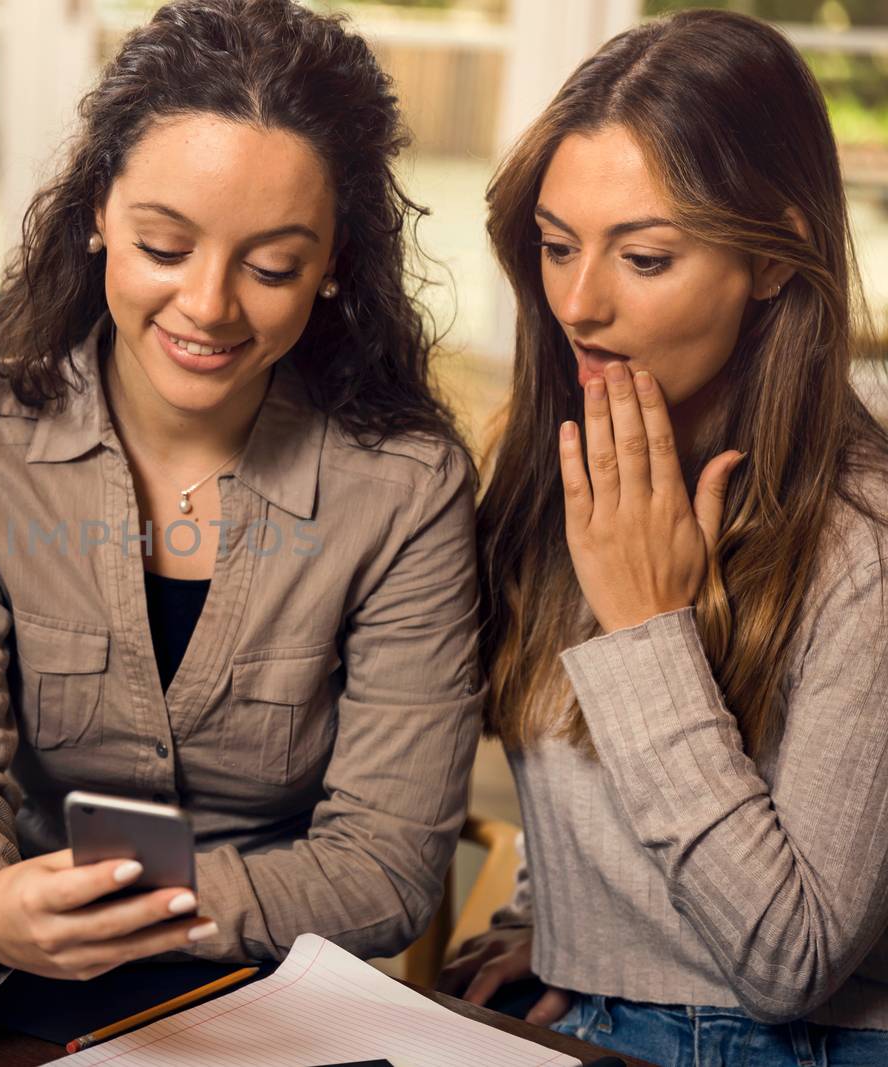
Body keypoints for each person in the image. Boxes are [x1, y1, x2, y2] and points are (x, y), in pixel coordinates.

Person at [0, 0, 482, 985]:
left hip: (280, 984)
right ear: (97, 216)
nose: (207, 306)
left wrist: (140, 907)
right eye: (163, 247)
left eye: (273, 265)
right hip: (17, 962)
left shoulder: (405, 490)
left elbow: (386, 865)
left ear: (334, 265)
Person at [441, 10, 888, 1065]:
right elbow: (586, 784)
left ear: (773, 259)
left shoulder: (861, 547)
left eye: (644, 256)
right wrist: (557, 926)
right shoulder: (546, 469)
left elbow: (792, 958)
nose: (579, 303)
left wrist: (648, 631)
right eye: (555, 247)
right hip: (580, 1017)